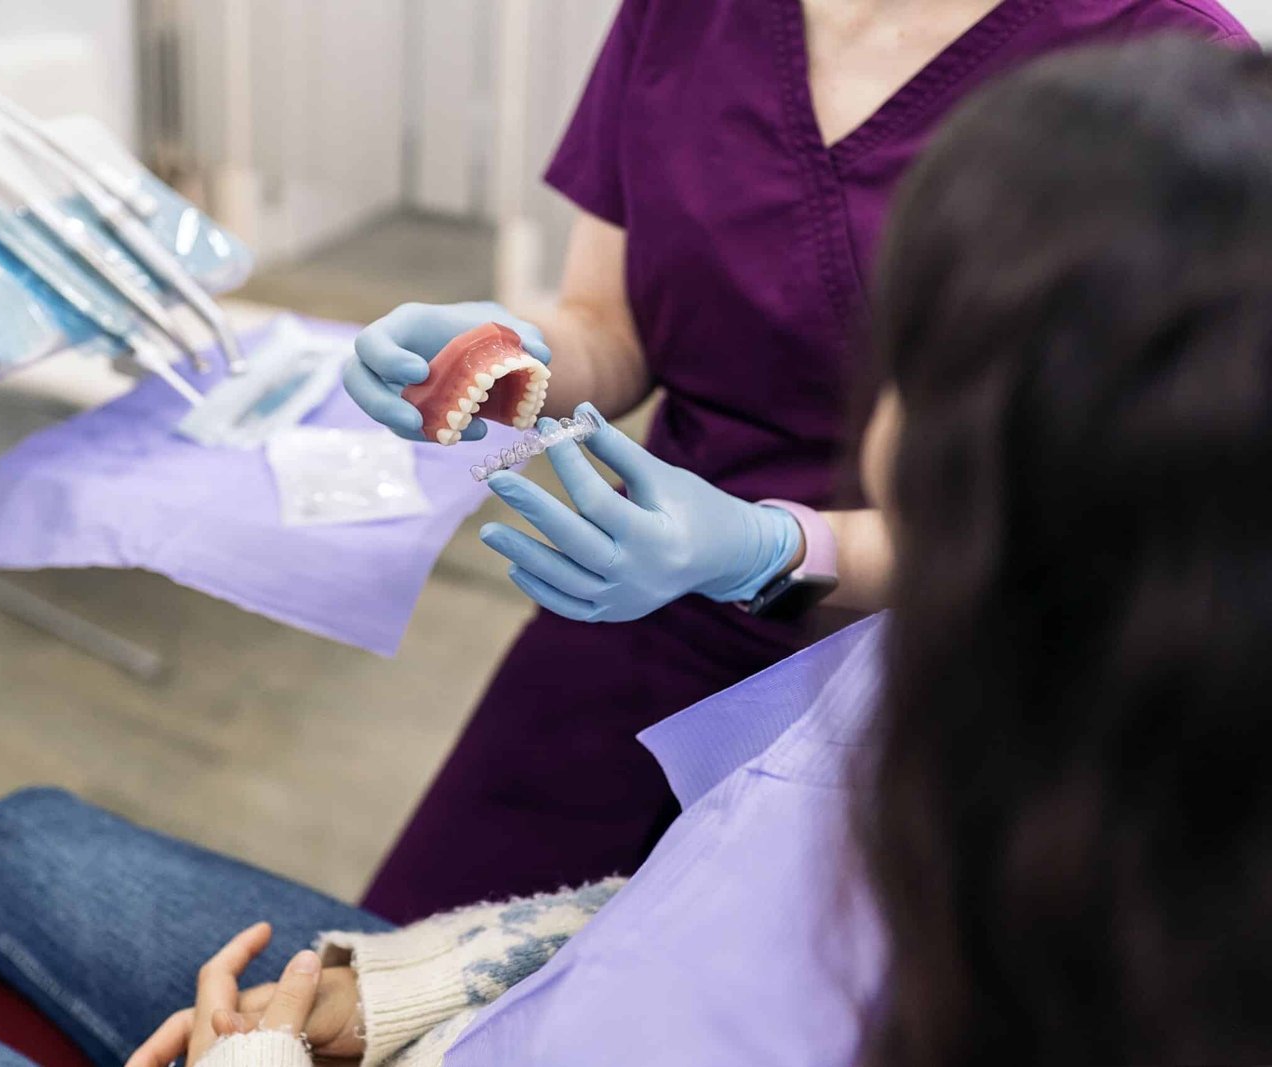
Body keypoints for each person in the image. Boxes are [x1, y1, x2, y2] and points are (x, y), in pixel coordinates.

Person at [0, 34, 1272, 1065]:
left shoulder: (1092, 906)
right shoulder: (940, 707)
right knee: (28, 839)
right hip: (522, 929)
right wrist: (393, 991)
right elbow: (664, 920)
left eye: (912, 349)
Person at [345, 0, 1255, 924]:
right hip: (648, 600)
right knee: (419, 950)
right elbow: (611, 323)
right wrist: (507, 359)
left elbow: (1089, 520)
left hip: (923, 673)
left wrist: (768, 549)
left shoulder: (1159, 68)